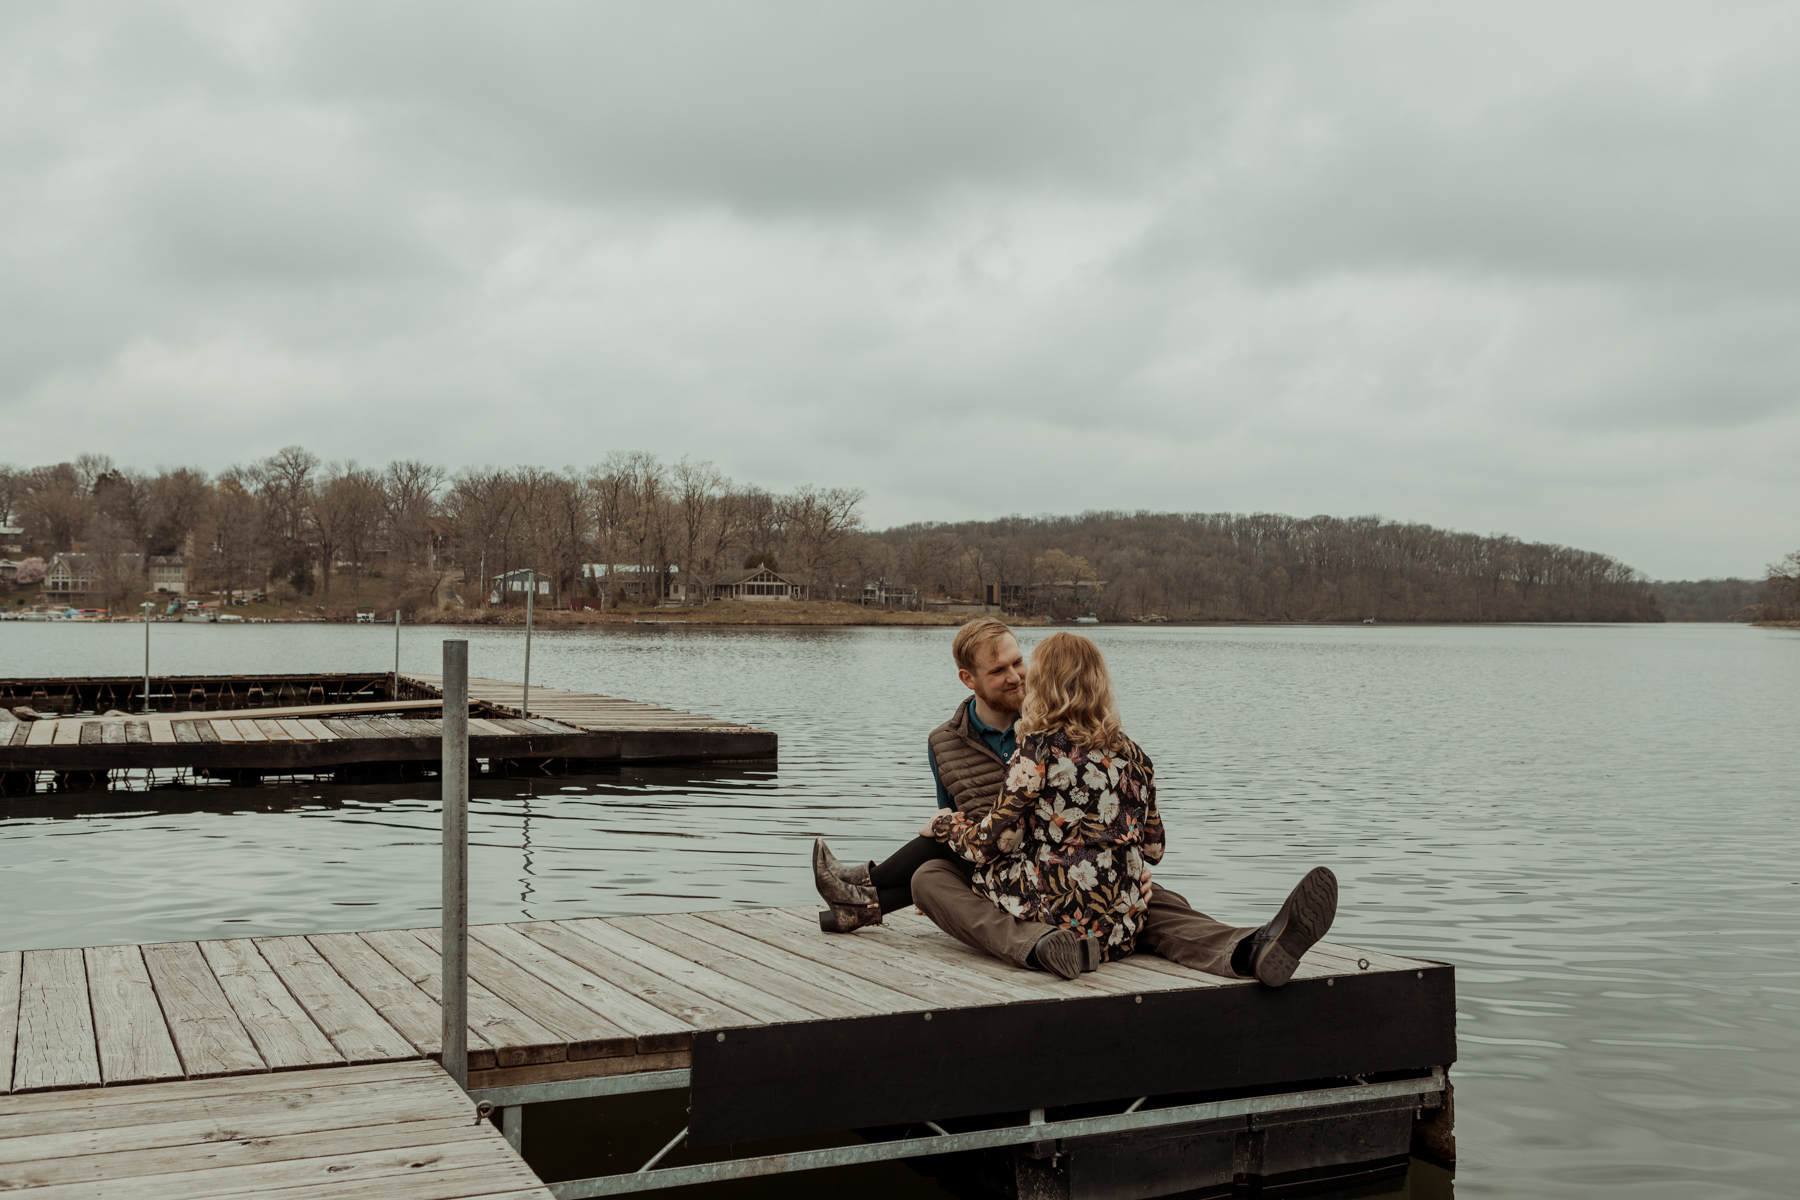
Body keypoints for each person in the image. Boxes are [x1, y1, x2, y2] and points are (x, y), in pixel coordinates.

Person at [812, 617, 1338, 985]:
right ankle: (1248, 949)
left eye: (1023, 666)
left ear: (1042, 680)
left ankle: (1039, 946)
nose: (1017, 677)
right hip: (1103, 897)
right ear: (969, 680)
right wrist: (1127, 858)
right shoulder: (1133, 751)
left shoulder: (1035, 746)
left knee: (933, 876)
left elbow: (996, 837)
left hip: (1039, 889)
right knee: (1142, 897)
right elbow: (1153, 845)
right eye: (1002, 671)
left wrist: (948, 828)